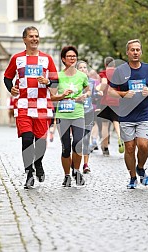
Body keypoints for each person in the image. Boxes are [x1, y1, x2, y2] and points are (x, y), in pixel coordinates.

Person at [4, 26, 58, 189]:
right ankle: (28, 173)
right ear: (24, 40)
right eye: (31, 36)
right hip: (23, 104)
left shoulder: (47, 59)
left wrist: (48, 82)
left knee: (40, 143)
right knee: (27, 139)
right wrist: (11, 88)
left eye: (37, 36)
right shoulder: (17, 58)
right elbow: (7, 77)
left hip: (42, 105)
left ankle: (38, 163)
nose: (35, 39)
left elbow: (55, 81)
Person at [109, 39, 148, 189]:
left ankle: (140, 167)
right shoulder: (120, 70)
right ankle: (132, 177)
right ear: (127, 52)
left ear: (141, 52)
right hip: (126, 115)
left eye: (138, 49)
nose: (135, 52)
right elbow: (111, 90)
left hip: (143, 114)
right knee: (129, 148)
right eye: (132, 50)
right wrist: (123, 94)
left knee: (143, 145)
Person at [50, 46, 91, 187]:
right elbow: (52, 97)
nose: (72, 58)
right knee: (66, 147)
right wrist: (62, 96)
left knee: (78, 144)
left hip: (78, 114)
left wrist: (84, 96)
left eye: (74, 56)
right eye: (69, 56)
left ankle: (77, 171)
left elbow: (88, 90)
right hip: (63, 115)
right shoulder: (58, 76)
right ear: (63, 59)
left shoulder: (82, 76)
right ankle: (67, 175)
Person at [97, 56, 124, 155]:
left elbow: (104, 83)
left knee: (105, 125)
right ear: (114, 65)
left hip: (105, 101)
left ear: (105, 64)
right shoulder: (119, 73)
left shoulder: (104, 73)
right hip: (117, 101)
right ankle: (119, 137)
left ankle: (105, 148)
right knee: (116, 121)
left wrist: (97, 89)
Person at [76, 60, 95, 173]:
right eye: (81, 68)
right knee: (77, 139)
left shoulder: (92, 82)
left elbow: (95, 95)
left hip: (89, 112)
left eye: (84, 68)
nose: (83, 69)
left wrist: (99, 95)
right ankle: (76, 162)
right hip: (77, 113)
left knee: (86, 139)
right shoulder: (74, 81)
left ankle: (86, 164)